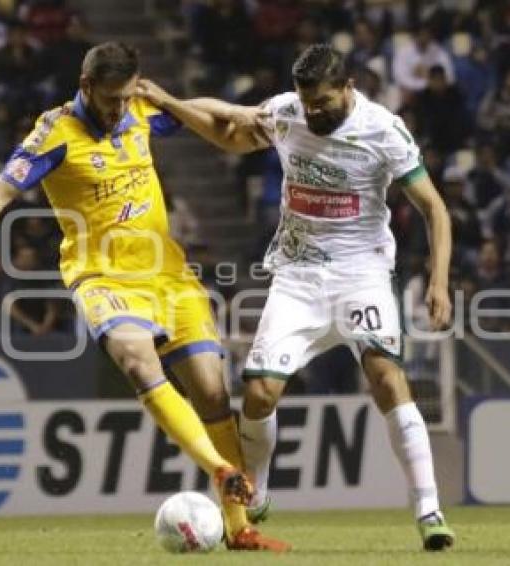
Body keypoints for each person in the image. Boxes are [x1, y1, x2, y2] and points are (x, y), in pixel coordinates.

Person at [0, 42, 287, 552]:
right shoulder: (54, 132)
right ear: (85, 87)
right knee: (135, 356)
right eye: (110, 100)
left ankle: (241, 529)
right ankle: (221, 469)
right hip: (101, 276)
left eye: (126, 97)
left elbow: (199, 110)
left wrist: (239, 111)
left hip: (167, 276)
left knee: (213, 392)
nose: (119, 108)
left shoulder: (140, 109)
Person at [138, 44, 456, 551]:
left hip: (362, 274)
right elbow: (230, 129)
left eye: (324, 102)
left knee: (385, 376)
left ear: (348, 87)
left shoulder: (383, 129)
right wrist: (169, 101)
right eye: (309, 103)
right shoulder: (289, 111)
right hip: (298, 276)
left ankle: (429, 511)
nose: (314, 112)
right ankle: (258, 491)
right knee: (260, 392)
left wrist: (438, 282)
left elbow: (435, 209)